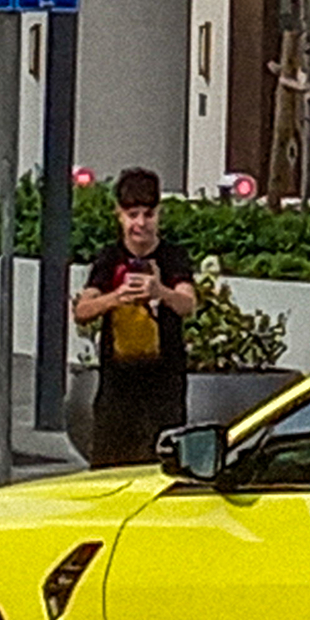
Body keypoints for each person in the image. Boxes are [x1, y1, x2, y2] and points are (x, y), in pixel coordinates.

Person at [71, 168, 198, 468]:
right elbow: (82, 311)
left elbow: (187, 303)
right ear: (119, 215)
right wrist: (116, 297)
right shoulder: (108, 258)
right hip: (118, 387)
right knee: (110, 466)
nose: (141, 223)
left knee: (163, 466)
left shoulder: (173, 257)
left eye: (148, 214)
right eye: (133, 215)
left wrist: (160, 291)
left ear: (159, 214)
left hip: (164, 385)